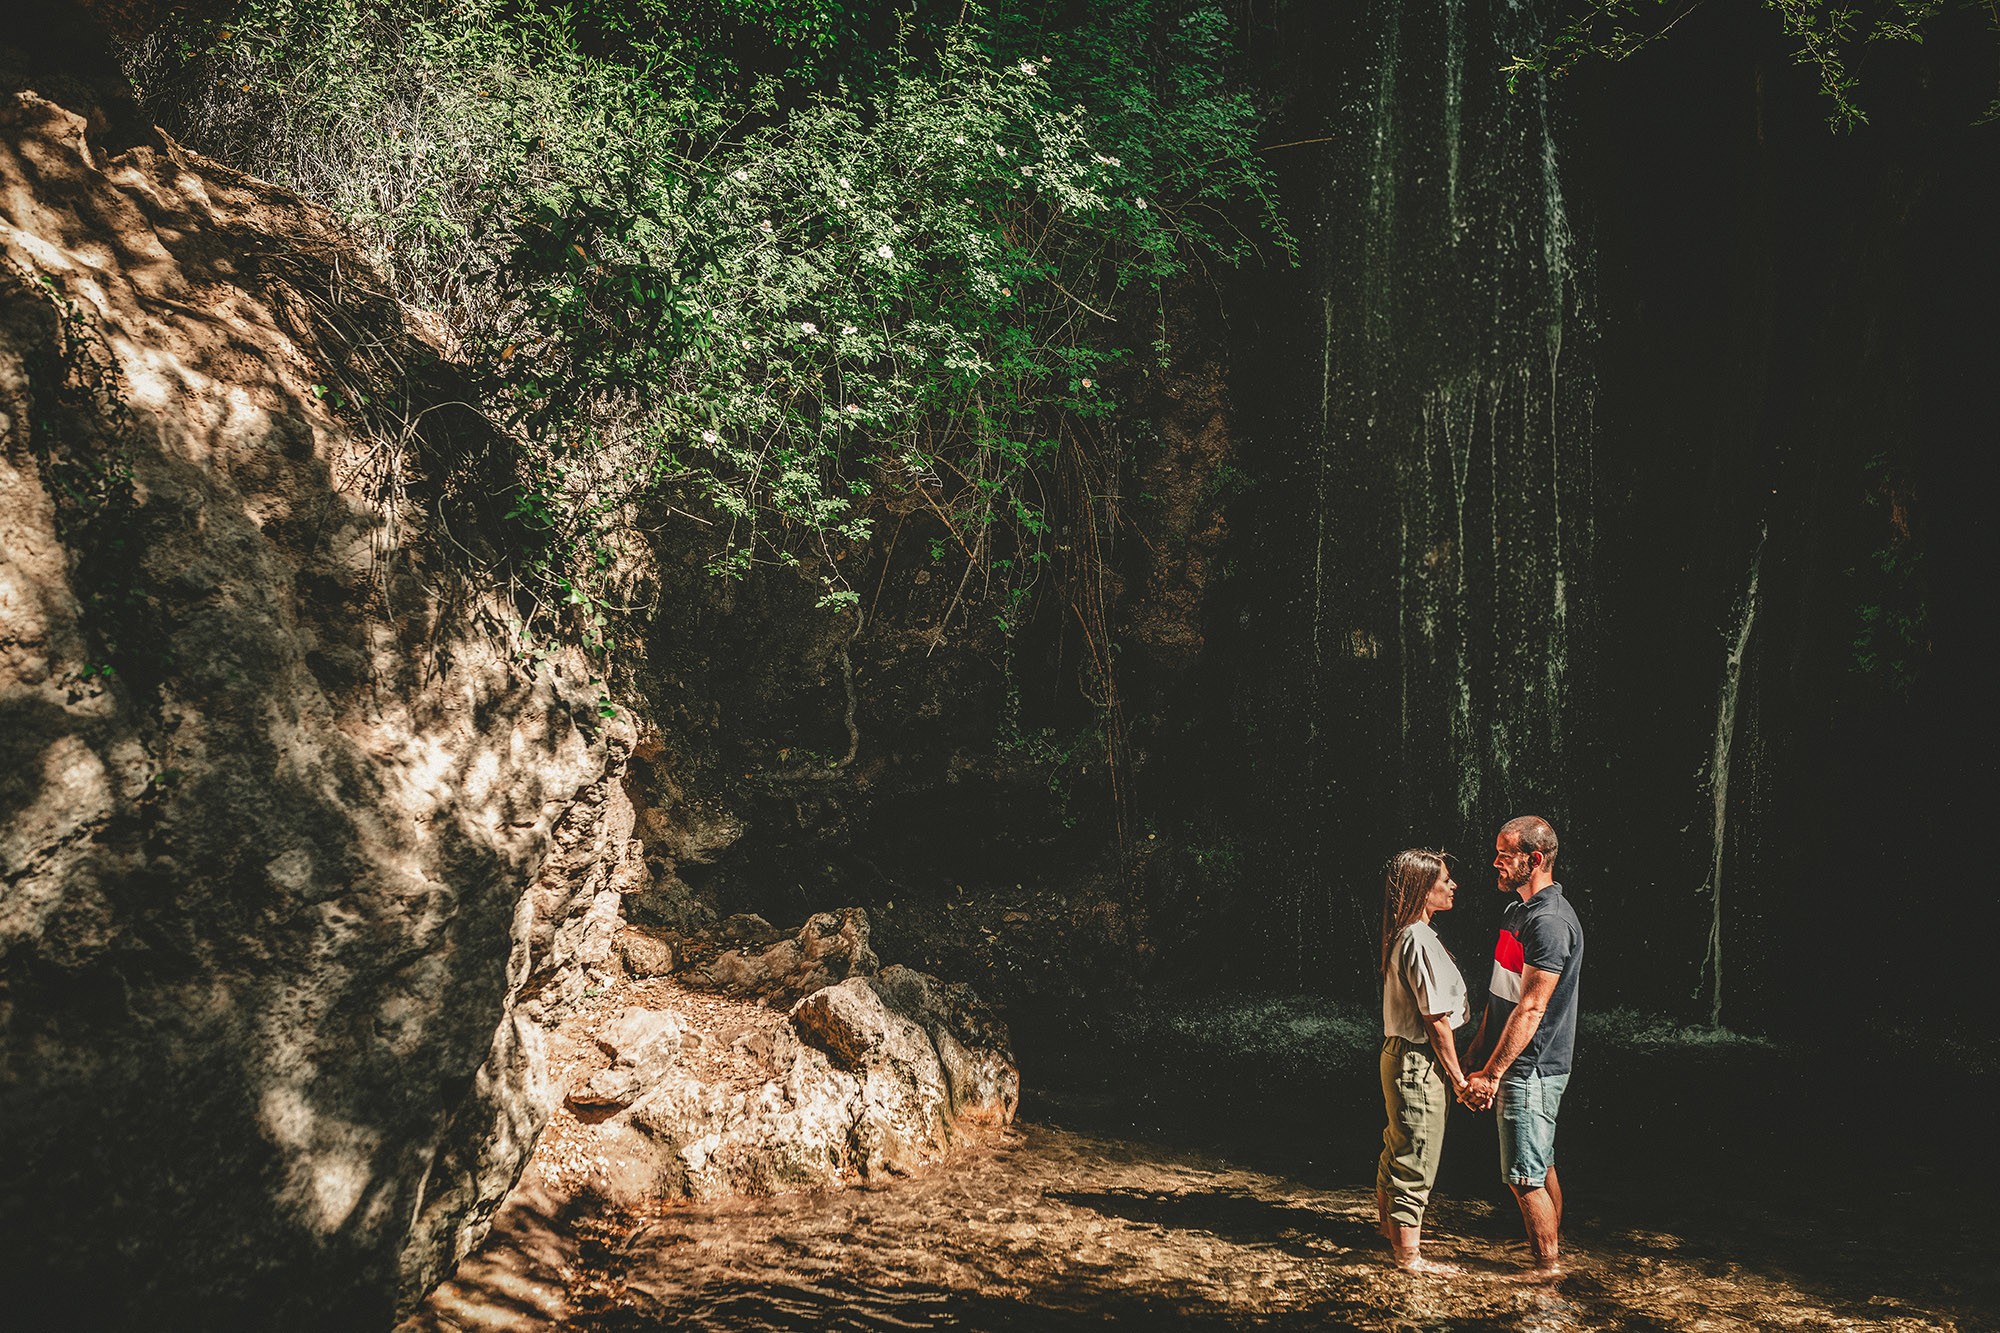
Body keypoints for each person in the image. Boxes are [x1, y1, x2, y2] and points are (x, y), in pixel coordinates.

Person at [1460, 815, 1585, 1274]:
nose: (1495, 861)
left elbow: (1532, 1009)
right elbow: (1505, 993)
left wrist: (1492, 1074)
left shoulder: (1550, 922)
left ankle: (1547, 1275)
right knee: (1542, 1162)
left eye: (1504, 854)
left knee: (1524, 1176)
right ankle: (1554, 1253)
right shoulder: (1518, 912)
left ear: (1533, 860)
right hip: (1517, 1061)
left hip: (1531, 1067)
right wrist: (1478, 1050)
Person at [1374, 848, 1472, 1273]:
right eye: (1444, 880)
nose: (1453, 886)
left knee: (1397, 1149)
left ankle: (1387, 1232)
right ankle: (1408, 1258)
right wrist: (1458, 1078)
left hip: (1400, 1056)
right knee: (1417, 1156)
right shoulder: (1417, 938)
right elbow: (1436, 1022)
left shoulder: (1411, 934)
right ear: (1421, 888)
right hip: (1417, 1060)